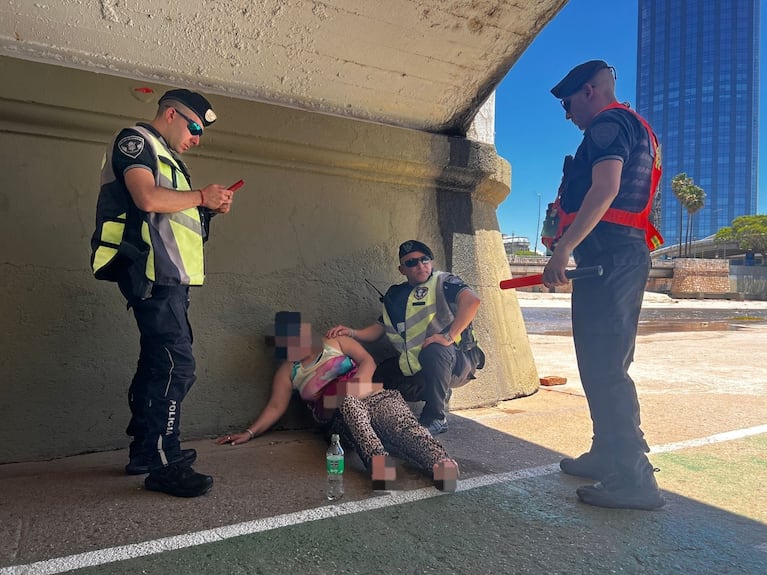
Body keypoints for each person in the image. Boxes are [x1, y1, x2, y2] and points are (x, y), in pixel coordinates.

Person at [91, 88, 237, 498]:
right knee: (177, 366)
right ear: (170, 114)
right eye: (193, 127)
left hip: (170, 278)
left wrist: (206, 209)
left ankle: (147, 450)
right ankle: (162, 460)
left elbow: (169, 221)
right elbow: (146, 197)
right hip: (151, 274)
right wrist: (200, 197)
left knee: (159, 363)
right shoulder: (136, 141)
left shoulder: (170, 160)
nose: (197, 137)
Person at [543, 60, 665, 510]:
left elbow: (605, 188)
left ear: (590, 91)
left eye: (569, 102)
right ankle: (605, 452)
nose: (567, 113)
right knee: (602, 362)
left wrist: (562, 250)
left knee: (606, 368)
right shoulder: (634, 126)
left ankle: (634, 478)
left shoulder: (608, 126)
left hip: (610, 255)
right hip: (617, 255)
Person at [216, 312, 459, 492]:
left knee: (402, 427)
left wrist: (356, 386)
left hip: (375, 396)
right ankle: (379, 465)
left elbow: (368, 361)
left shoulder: (335, 343)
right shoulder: (288, 371)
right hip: (338, 419)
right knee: (347, 402)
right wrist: (249, 432)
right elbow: (275, 407)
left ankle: (441, 463)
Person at [326, 240, 484, 436]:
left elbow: (472, 301)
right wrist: (350, 332)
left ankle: (435, 417)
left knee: (436, 350)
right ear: (402, 269)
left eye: (424, 259)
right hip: (417, 365)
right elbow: (378, 329)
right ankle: (384, 416)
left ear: (430, 261)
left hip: (457, 362)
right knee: (378, 376)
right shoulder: (395, 295)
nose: (420, 265)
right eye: (411, 262)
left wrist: (448, 336)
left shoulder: (444, 281)